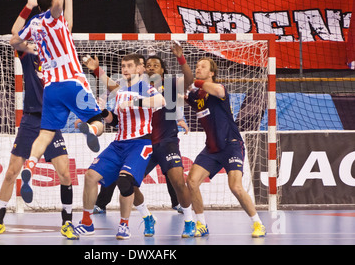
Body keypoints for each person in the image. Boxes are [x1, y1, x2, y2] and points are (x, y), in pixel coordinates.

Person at [0, 0, 78, 241]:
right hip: (31, 119)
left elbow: (66, 25)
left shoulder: (61, 50)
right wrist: (30, 6)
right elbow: (14, 34)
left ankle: (67, 222)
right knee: (11, 171)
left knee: (65, 173)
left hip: (51, 121)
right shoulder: (28, 51)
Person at [10, 0, 104, 205]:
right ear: (52, 4)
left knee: (46, 133)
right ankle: (91, 130)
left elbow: (14, 39)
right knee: (98, 120)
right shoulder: (56, 19)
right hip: (73, 82)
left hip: (51, 89)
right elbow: (60, 10)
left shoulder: (35, 25)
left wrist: (26, 45)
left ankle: (30, 165)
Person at [75, 53, 165, 240]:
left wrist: (134, 102)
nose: (125, 69)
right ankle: (87, 222)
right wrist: (104, 112)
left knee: (125, 181)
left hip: (141, 142)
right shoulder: (121, 91)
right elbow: (115, 121)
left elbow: (161, 101)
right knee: (90, 176)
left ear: (140, 68)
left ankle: (124, 225)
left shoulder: (145, 87)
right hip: (119, 143)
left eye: (129, 66)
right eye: (123, 66)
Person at [184, 57, 266, 238]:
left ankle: (258, 224)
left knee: (235, 187)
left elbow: (218, 90)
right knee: (191, 182)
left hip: (232, 146)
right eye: (196, 66)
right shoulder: (196, 96)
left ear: (212, 73)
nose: (198, 68)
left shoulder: (218, 90)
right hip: (211, 149)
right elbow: (179, 94)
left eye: (202, 66)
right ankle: (202, 224)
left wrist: (193, 81)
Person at [132, 43, 197, 238]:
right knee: (129, 183)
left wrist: (181, 59)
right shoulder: (137, 87)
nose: (151, 67)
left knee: (178, 182)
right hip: (144, 143)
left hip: (167, 141)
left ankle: (189, 220)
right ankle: (147, 217)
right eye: (148, 64)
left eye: (155, 65)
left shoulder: (169, 85)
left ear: (162, 70)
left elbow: (189, 80)